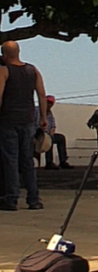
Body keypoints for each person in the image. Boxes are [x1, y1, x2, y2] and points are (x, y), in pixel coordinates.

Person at [0, 41, 47, 211]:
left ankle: (11, 199)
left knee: (10, 160)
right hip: (28, 120)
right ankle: (33, 199)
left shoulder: (4, 71)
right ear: (19, 52)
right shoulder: (32, 70)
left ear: (4, 55)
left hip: (7, 121)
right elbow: (42, 95)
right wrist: (43, 117)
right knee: (27, 160)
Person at [38, 95, 72, 170]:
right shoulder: (37, 110)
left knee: (60, 138)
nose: (49, 104)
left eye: (50, 103)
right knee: (48, 139)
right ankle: (49, 162)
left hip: (47, 134)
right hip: (38, 133)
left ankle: (63, 161)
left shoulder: (50, 113)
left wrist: (51, 132)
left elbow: (53, 126)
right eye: (47, 102)